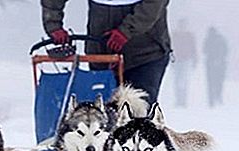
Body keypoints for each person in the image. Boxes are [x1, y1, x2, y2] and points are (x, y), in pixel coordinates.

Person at [41, 0, 172, 106]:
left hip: (145, 54)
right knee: (102, 116)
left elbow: (155, 4)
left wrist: (126, 31)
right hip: (102, 54)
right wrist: (53, 25)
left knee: (139, 111)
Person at [171, 19, 197, 107]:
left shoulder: (189, 36)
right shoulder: (175, 35)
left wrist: (194, 59)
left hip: (186, 60)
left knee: (184, 80)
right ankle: (179, 99)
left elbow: (193, 48)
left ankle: (183, 100)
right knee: (177, 80)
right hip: (177, 60)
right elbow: (171, 46)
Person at [203, 27, 228, 108]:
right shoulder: (221, 40)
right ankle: (217, 96)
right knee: (218, 81)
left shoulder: (208, 40)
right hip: (220, 63)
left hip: (211, 63)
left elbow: (204, 50)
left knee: (211, 82)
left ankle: (212, 100)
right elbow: (226, 50)